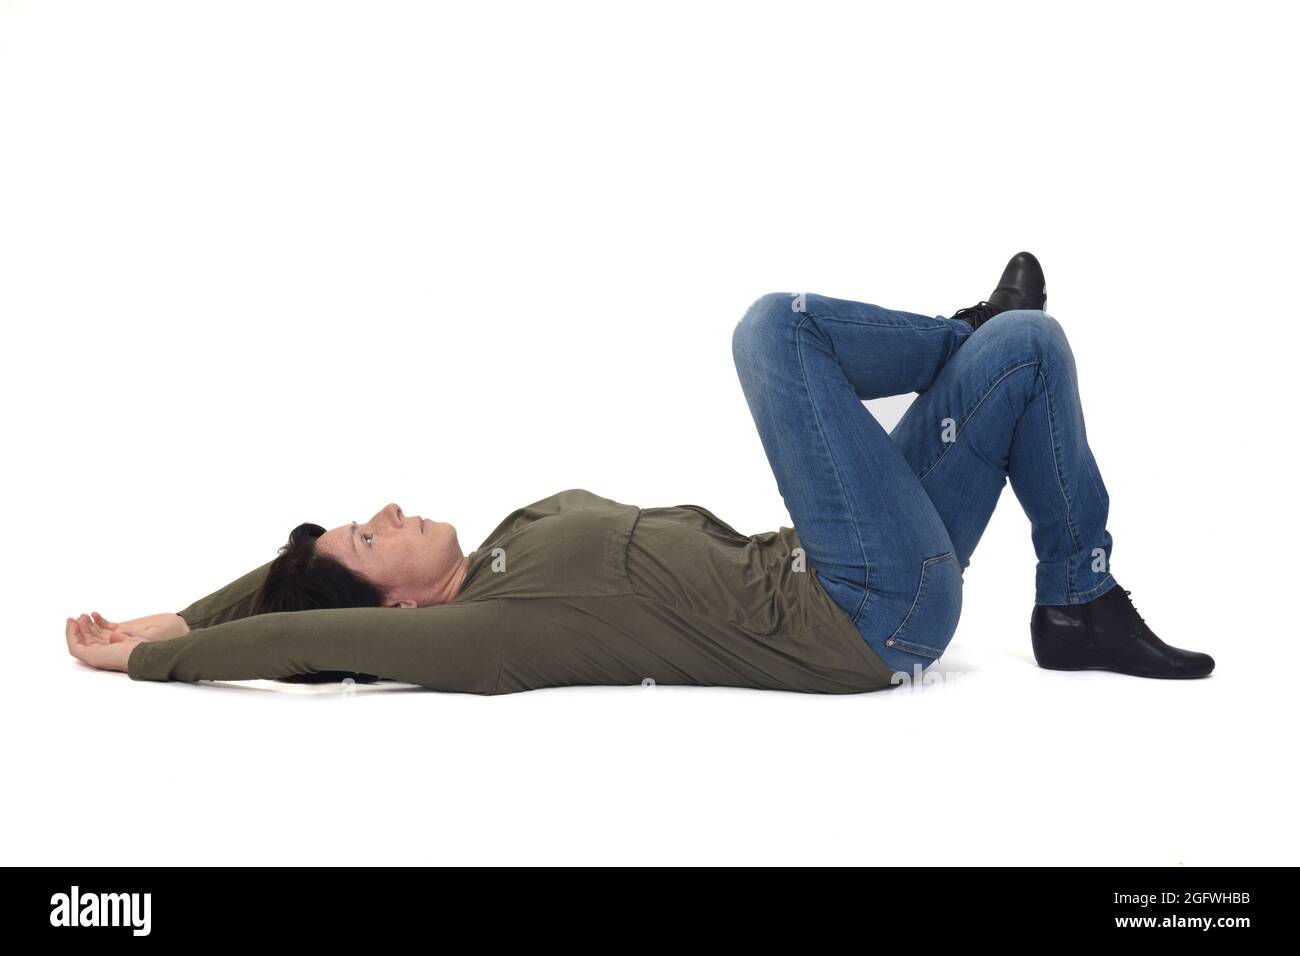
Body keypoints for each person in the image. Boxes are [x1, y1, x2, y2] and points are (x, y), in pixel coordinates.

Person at [64, 252, 1215, 694]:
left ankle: (1078, 597)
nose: (387, 510)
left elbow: (279, 592)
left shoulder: (513, 531)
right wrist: (160, 656)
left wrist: (164, 604)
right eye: (369, 543)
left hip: (843, 561)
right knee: (772, 329)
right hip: (864, 612)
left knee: (1032, 351)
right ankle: (952, 334)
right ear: (401, 609)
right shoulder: (485, 633)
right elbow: (291, 634)